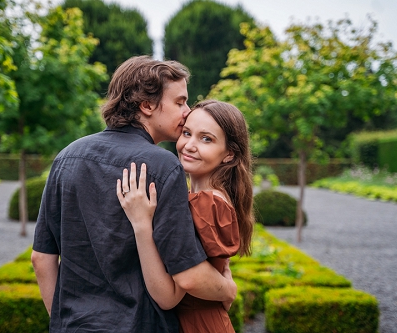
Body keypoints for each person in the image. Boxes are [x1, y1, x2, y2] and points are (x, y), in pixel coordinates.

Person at [31, 56, 237, 333]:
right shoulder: (162, 167)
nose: (187, 111)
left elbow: (41, 258)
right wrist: (227, 289)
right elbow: (180, 283)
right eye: (179, 102)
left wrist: (62, 322)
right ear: (147, 105)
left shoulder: (67, 157)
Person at [117, 100, 255, 333]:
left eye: (206, 139)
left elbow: (173, 290)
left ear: (229, 154)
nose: (189, 145)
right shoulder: (201, 198)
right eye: (187, 133)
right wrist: (227, 286)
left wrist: (141, 223)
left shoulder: (207, 204)